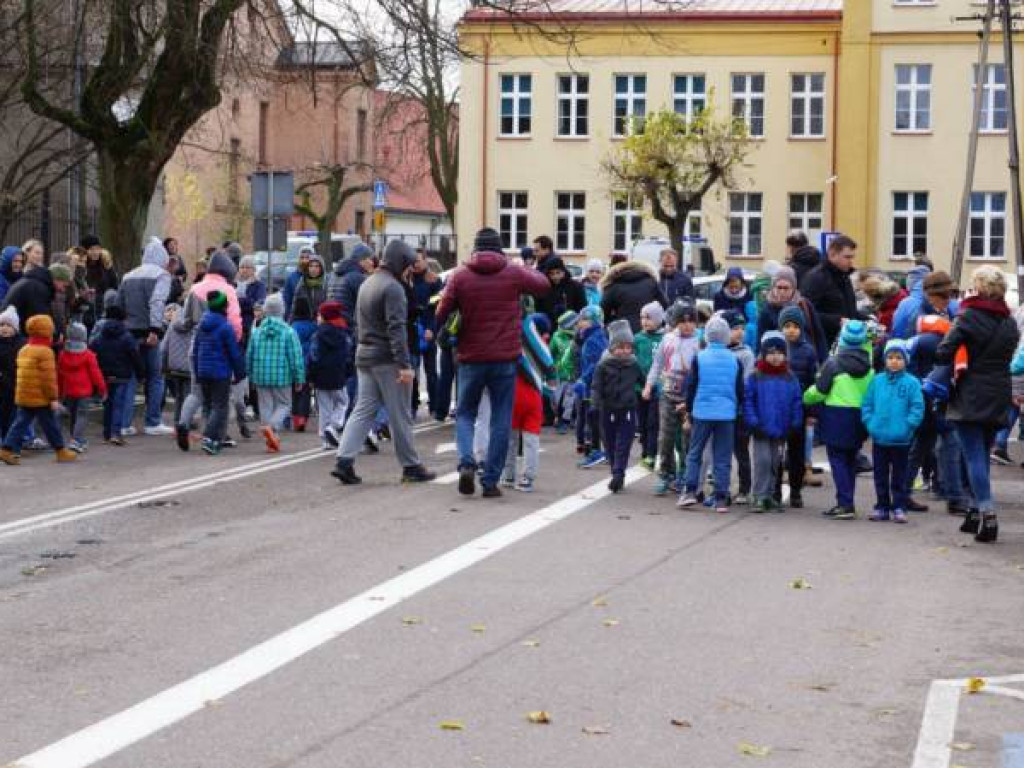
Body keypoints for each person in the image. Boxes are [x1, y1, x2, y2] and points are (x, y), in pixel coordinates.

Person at [435, 227, 550, 497]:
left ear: (475, 248)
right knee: (501, 417)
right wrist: (525, 267)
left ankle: (467, 462)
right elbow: (543, 285)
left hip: (470, 357)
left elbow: (441, 312)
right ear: (499, 247)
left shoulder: (460, 275)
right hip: (505, 358)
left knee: (466, 413)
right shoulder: (513, 272)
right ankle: (490, 481)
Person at [331, 241, 436, 485]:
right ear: (401, 262)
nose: (410, 270)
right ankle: (411, 466)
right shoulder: (393, 288)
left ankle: (344, 461)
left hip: (365, 354)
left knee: (363, 409)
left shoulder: (368, 282)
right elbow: (396, 328)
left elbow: (359, 321)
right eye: (408, 265)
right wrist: (405, 365)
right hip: (388, 359)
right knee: (400, 413)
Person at [935, 266, 1019, 542]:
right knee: (981, 453)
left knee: (973, 456)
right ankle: (973, 512)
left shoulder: (968, 315)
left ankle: (987, 512)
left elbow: (943, 352)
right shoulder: (1009, 321)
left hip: (971, 392)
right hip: (999, 392)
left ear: (979, 287)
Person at [803, 320, 874, 520]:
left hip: (836, 416)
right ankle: (847, 501)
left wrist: (805, 397)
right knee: (851, 460)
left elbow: (819, 391)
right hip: (859, 418)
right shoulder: (869, 367)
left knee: (838, 460)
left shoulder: (833, 363)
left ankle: (845, 504)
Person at [676, 314, 742, 513]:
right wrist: (737, 409)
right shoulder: (735, 359)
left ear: (706, 335)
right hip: (726, 414)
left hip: (702, 412)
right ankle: (721, 498)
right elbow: (739, 389)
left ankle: (690, 491)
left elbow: (692, 386)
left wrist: (689, 410)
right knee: (722, 456)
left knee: (695, 453)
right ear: (726, 336)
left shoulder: (699, 358)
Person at [862, 339, 924, 524]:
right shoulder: (877, 381)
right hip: (880, 438)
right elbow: (867, 404)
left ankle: (899, 506)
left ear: (906, 360)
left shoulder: (912, 383)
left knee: (899, 476)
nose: (894, 361)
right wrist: (871, 424)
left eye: (898, 357)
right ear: (885, 359)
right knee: (880, 476)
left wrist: (908, 426)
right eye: (890, 357)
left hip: (902, 439)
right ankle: (882, 506)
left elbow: (917, 407)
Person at [0, 314, 77, 464]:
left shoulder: (25, 349)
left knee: (19, 424)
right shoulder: (45, 351)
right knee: (51, 425)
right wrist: (53, 398)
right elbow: (48, 378)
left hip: (24, 395)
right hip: (40, 397)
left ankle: (6, 449)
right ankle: (61, 451)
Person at [118, 236, 173, 435]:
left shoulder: (127, 276)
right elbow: (157, 302)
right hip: (149, 332)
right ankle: (153, 422)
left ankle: (124, 424)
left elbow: (120, 304)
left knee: (130, 377)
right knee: (155, 377)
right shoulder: (162, 275)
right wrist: (155, 329)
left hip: (129, 331)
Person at [743, 331, 803, 512]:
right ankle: (759, 495)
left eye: (779, 353)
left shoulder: (790, 377)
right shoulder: (755, 376)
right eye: (771, 353)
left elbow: (796, 401)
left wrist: (795, 423)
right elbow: (748, 401)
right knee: (762, 461)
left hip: (781, 428)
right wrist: (753, 422)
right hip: (761, 428)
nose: (775, 357)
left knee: (774, 462)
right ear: (763, 354)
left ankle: (770, 494)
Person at [645, 301, 700, 495]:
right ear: (675, 322)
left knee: (687, 438)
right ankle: (665, 474)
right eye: (683, 321)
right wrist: (649, 385)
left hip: (690, 397)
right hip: (668, 394)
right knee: (665, 437)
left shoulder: (700, 341)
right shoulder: (668, 339)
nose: (687, 325)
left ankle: (685, 475)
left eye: (691, 321)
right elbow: (657, 363)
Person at [247, 293, 305, 453]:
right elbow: (295, 357)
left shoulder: (257, 331)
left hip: (260, 375)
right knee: (284, 404)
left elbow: (249, 354)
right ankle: (272, 428)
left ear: (265, 310)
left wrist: (250, 375)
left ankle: (271, 440)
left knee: (265, 405)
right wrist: (299, 377)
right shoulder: (289, 332)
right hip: (282, 376)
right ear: (282, 310)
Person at [501, 313, 554, 493]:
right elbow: (551, 379)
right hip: (534, 399)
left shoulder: (515, 346)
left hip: (513, 395)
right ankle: (527, 478)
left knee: (510, 438)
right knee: (531, 440)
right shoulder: (543, 350)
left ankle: (508, 474)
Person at [592, 319, 644, 493]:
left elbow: (643, 380)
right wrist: (595, 403)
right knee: (610, 442)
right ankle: (616, 470)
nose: (625, 351)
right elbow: (596, 386)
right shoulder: (603, 365)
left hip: (628, 408)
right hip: (607, 408)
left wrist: (649, 391)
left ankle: (618, 473)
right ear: (612, 347)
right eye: (620, 347)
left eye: (628, 347)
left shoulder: (634, 364)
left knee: (624, 443)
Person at [192, 290, 246, 456]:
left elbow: (196, 350)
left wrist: (197, 372)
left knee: (209, 405)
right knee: (220, 407)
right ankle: (209, 437)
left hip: (203, 371)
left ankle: (216, 440)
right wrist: (240, 372)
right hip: (220, 372)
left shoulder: (202, 325)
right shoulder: (225, 327)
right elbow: (234, 353)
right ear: (224, 307)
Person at [779, 305, 820, 501]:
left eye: (795, 326)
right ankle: (775, 490)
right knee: (777, 452)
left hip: (799, 409)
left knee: (797, 451)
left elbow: (814, 384)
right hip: (778, 409)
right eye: (787, 326)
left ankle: (796, 490)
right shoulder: (775, 348)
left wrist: (812, 412)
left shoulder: (808, 351)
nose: (791, 330)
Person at [90, 300, 143, 445]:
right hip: (122, 376)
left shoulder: (100, 336)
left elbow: (92, 351)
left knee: (108, 404)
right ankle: (116, 433)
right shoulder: (127, 336)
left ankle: (107, 434)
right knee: (119, 404)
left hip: (104, 375)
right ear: (123, 318)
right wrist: (141, 373)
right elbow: (135, 356)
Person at [802, 235, 863, 350]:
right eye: (847, 257)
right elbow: (806, 312)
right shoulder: (816, 278)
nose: (851, 261)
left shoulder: (844, 277)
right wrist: (837, 321)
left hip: (845, 342)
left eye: (852, 257)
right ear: (832, 255)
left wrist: (867, 319)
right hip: (824, 344)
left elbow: (848, 310)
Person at [756, 265, 828, 361]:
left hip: (807, 358)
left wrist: (823, 361)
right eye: (779, 287)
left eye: (786, 288)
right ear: (773, 287)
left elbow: (818, 335)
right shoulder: (767, 309)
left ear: (793, 288)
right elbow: (760, 339)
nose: (782, 292)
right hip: (779, 361)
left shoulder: (804, 305)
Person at [308, 301, 352, 450]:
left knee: (324, 407)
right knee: (343, 402)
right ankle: (333, 426)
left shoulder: (318, 334)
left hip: (320, 375)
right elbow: (348, 355)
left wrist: (311, 375)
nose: (317, 317)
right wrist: (348, 371)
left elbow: (313, 356)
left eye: (319, 315)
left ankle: (325, 438)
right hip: (338, 374)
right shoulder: (343, 333)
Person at [58, 322, 107, 452]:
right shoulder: (88, 355)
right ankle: (76, 439)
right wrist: (102, 389)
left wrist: (60, 392)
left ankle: (75, 438)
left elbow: (60, 375)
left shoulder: (62, 354)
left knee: (73, 415)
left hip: (69, 391)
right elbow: (96, 374)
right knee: (82, 415)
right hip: (84, 391)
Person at [574, 305, 609, 468]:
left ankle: (598, 451)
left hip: (594, 386)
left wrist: (583, 380)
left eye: (584, 320)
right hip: (592, 385)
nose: (580, 323)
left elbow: (596, 364)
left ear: (594, 321)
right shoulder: (592, 337)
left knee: (595, 419)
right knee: (593, 418)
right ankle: (602, 451)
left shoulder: (594, 339)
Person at [410, 250, 442, 415]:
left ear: (425, 261)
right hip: (412, 330)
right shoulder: (407, 279)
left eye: (418, 260)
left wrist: (432, 328)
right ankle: (413, 404)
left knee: (431, 372)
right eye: (413, 261)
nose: (415, 264)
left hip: (428, 329)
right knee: (413, 371)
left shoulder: (434, 280)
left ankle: (434, 405)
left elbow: (438, 308)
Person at [2, 255, 65, 335]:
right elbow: (41, 318)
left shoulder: (36, 283)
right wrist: (55, 334)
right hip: (11, 332)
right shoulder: (38, 288)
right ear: (57, 279)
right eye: (64, 285)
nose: (63, 289)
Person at [635, 301, 665, 469]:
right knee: (642, 423)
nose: (645, 321)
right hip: (640, 388)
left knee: (653, 423)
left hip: (658, 388)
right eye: (642, 317)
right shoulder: (638, 338)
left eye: (649, 318)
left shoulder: (665, 338)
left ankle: (651, 454)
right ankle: (645, 450)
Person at [600, 259, 667, 332]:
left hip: (623, 330)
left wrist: (614, 320)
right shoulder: (651, 282)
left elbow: (603, 312)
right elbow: (664, 304)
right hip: (648, 329)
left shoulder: (613, 286)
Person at [536, 256, 587, 331]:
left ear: (563, 271)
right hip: (549, 329)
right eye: (552, 273)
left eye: (558, 272)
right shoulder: (545, 288)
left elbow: (582, 309)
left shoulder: (575, 287)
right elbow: (540, 310)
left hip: (571, 329)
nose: (555, 276)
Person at [289, 296, 317, 432]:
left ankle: (295, 418)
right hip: (308, 362)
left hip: (294, 363)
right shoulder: (313, 326)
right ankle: (302, 419)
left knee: (294, 392)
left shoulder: (292, 327)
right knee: (306, 392)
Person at [549, 310, 578, 434]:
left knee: (571, 399)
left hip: (574, 374)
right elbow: (550, 353)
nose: (577, 325)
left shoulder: (578, 337)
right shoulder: (557, 337)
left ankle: (566, 420)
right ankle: (560, 419)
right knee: (559, 398)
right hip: (560, 374)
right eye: (575, 323)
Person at [0, 306, 24, 439]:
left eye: (8, 325)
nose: (4, 328)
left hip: (14, 385)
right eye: (2, 325)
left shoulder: (21, 344)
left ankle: (9, 441)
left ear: (15, 328)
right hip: (2, 383)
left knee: (11, 416)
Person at [235, 255, 267, 347]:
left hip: (251, 324)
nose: (244, 270)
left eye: (248, 267)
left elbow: (258, 304)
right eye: (242, 267)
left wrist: (241, 300)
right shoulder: (234, 283)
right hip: (235, 324)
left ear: (254, 270)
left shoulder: (259, 285)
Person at [293, 253, 327, 319]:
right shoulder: (302, 282)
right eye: (311, 266)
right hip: (306, 320)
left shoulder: (326, 283)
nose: (313, 269)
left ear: (321, 268)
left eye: (317, 266)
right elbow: (294, 305)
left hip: (323, 320)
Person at [282, 247, 313, 320]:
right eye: (302, 258)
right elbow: (287, 302)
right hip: (296, 319)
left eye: (307, 257)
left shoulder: (318, 277)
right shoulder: (291, 278)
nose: (304, 260)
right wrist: (288, 320)